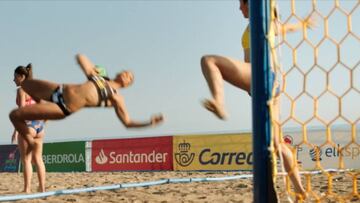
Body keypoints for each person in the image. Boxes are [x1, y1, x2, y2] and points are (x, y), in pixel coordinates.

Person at [200, 0, 315, 201]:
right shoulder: (252, 26)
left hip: (263, 77)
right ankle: (300, 191)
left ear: (250, 4)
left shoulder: (264, 21)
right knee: (277, 143)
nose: (239, 8)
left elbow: (282, 27)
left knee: (209, 61)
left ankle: (219, 101)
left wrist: (302, 25)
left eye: (241, 4)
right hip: (267, 85)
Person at [9, 54, 164, 149]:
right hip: (58, 90)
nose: (126, 74)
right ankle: (40, 112)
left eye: (129, 76)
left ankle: (30, 140)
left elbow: (128, 122)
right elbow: (80, 57)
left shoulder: (116, 96)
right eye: (126, 72)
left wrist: (149, 123)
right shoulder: (98, 77)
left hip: (65, 107)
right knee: (25, 84)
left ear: (128, 84)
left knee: (14, 115)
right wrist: (91, 67)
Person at [12, 64, 46, 193]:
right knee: (38, 159)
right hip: (39, 126)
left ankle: (27, 189)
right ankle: (42, 188)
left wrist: (16, 131)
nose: (13, 80)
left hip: (28, 126)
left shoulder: (21, 90)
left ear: (22, 76)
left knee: (26, 160)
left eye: (15, 77)